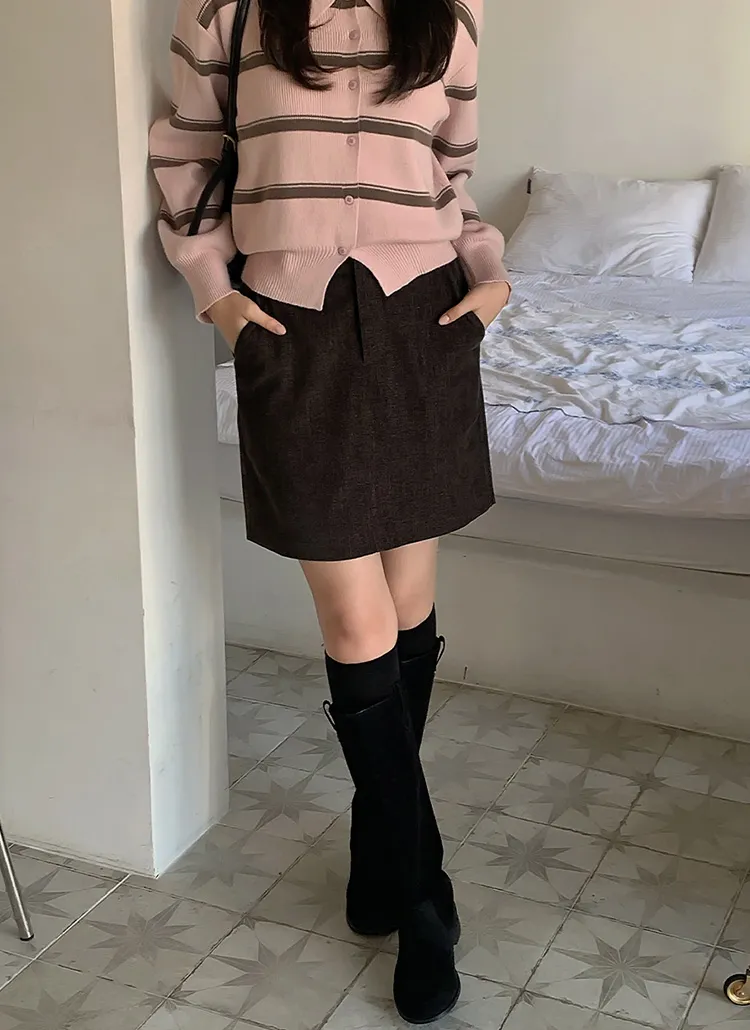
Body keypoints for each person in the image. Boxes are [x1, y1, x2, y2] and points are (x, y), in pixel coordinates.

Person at [150, 0, 510, 1020]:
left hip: (423, 314)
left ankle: (378, 841)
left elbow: (452, 166)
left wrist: (489, 279)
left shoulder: (452, 10)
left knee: (409, 597)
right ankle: (424, 892)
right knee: (355, 620)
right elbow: (186, 153)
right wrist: (217, 293)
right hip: (293, 324)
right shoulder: (228, 10)